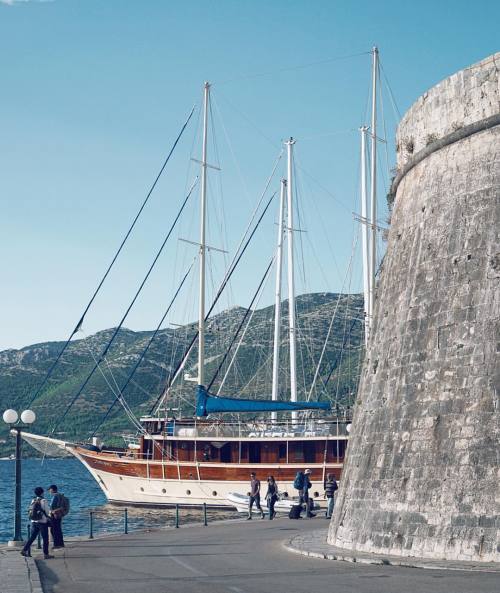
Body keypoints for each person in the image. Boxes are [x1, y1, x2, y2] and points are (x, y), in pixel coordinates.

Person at [21, 487, 53, 559]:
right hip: (42, 522)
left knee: (32, 537)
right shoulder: (44, 500)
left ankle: (24, 550)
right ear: (42, 493)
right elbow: (47, 511)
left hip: (34, 521)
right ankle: (46, 554)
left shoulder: (33, 500)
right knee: (45, 538)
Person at [48, 484, 67, 549]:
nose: (49, 491)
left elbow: (52, 506)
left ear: (52, 489)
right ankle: (61, 543)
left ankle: (56, 544)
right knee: (58, 529)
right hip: (59, 514)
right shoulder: (60, 495)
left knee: (53, 530)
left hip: (54, 514)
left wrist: (50, 511)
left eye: (49, 490)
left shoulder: (55, 496)